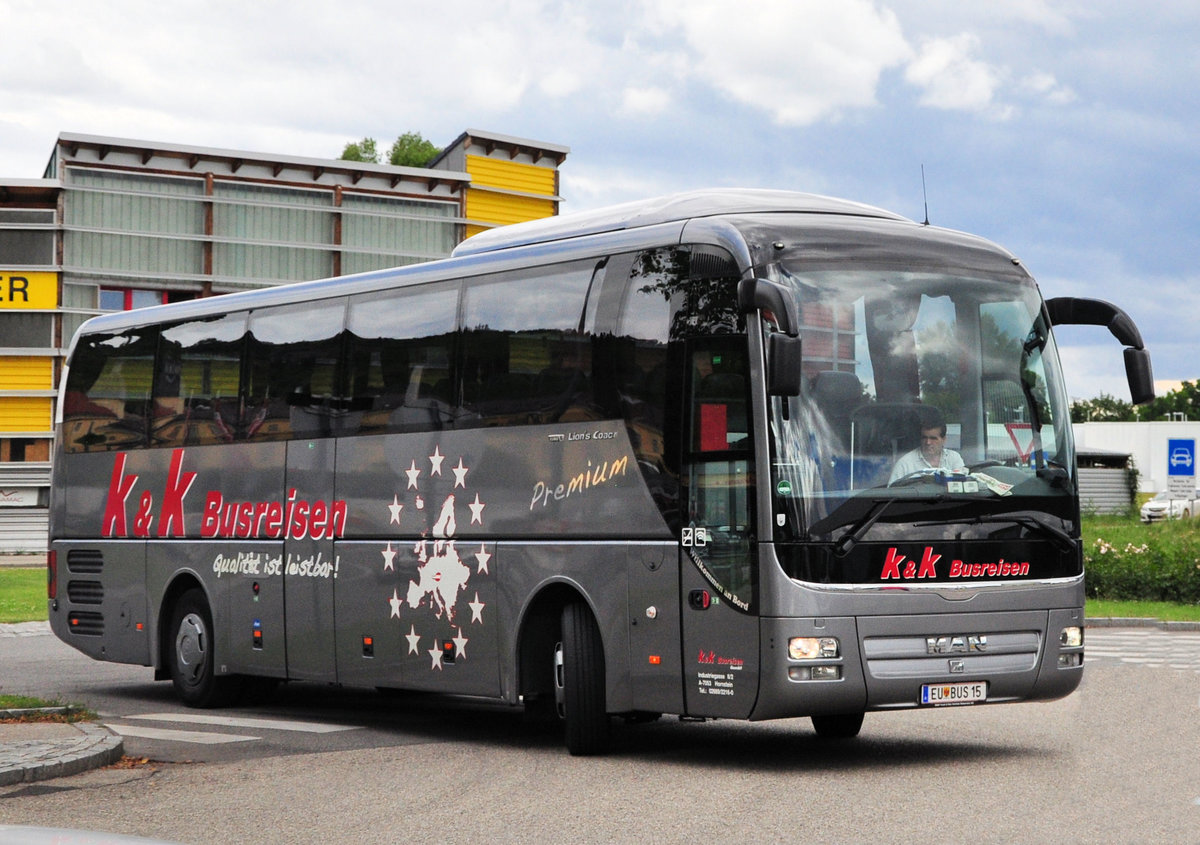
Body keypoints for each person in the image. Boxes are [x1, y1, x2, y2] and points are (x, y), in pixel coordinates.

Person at [889, 416, 965, 483]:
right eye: (924, 437)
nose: (928, 442)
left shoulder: (954, 458)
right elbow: (891, 493)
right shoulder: (905, 464)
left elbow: (963, 487)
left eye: (933, 438)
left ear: (944, 439)